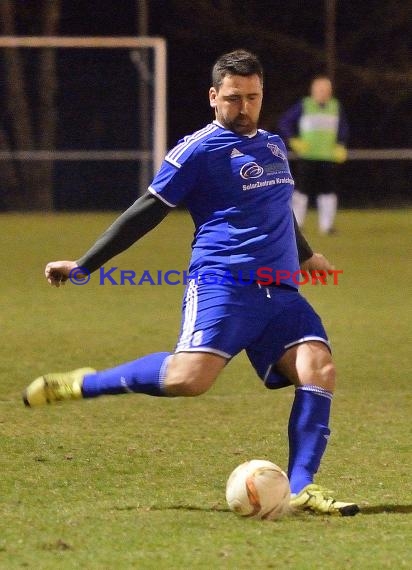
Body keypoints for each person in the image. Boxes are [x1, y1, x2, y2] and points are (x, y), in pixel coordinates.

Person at [23, 50, 359, 516]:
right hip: (224, 283)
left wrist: (307, 255)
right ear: (213, 97)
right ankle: (88, 383)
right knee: (188, 380)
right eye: (233, 98)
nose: (244, 108)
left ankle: (303, 485)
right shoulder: (196, 150)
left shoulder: (274, 144)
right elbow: (145, 211)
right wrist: (85, 264)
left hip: (280, 292)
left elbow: (277, 205)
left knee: (318, 368)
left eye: (253, 97)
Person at [278, 76, 349, 233]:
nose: (323, 93)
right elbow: (284, 122)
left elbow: (343, 127)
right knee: (302, 190)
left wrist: (341, 144)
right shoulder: (305, 105)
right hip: (307, 155)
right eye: (320, 89)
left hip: (328, 156)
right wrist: (293, 140)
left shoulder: (335, 106)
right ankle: (297, 225)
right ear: (313, 91)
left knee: (328, 190)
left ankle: (327, 226)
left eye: (326, 89)